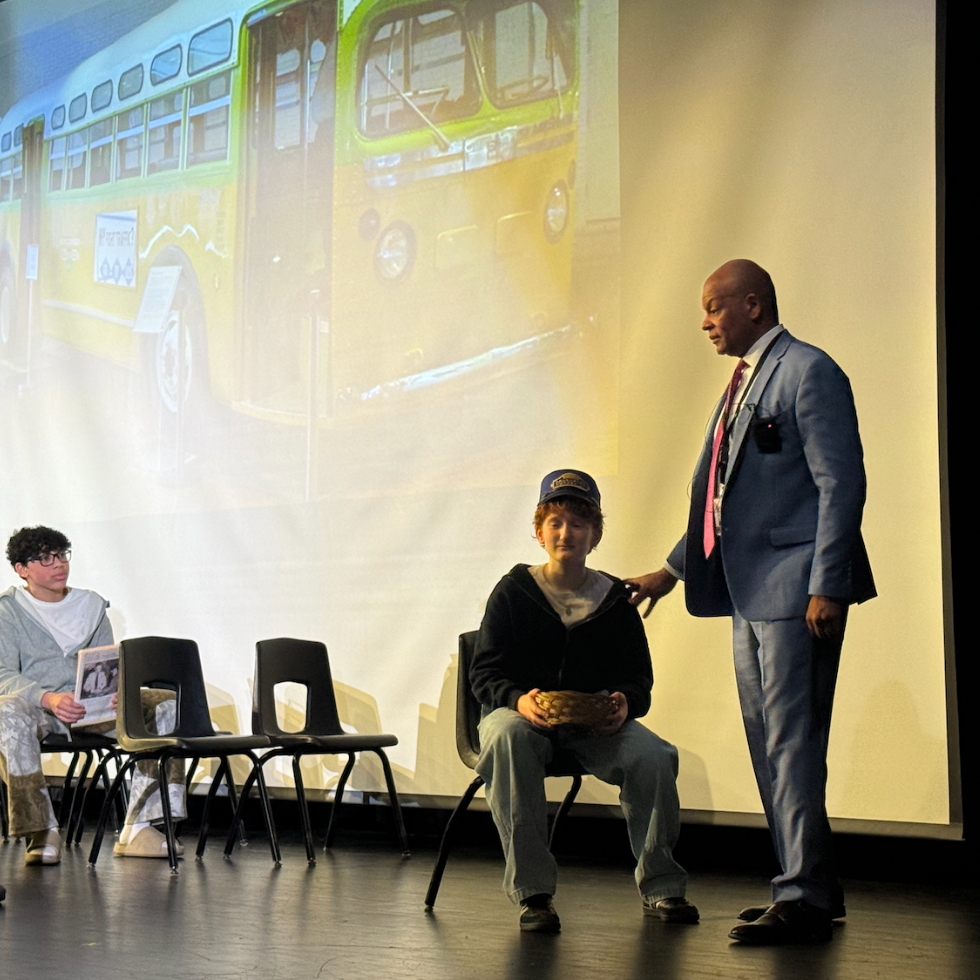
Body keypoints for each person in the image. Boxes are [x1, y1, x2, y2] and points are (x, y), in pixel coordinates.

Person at [627, 260, 875, 945]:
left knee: (792, 744)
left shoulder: (807, 370)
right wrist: (670, 572)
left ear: (753, 305)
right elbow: (721, 499)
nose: (705, 321)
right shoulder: (741, 382)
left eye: (714, 307)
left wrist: (828, 583)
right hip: (747, 593)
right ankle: (811, 884)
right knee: (771, 743)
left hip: (797, 591)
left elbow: (841, 486)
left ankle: (801, 896)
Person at [470, 469, 698, 933]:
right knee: (506, 738)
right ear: (538, 532)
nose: (565, 533)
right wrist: (517, 700)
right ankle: (533, 895)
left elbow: (638, 679)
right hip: (523, 718)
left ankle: (662, 886)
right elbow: (485, 672)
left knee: (653, 756)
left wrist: (623, 703)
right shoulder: (514, 591)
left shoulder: (614, 599)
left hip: (593, 726)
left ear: (594, 534)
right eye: (554, 522)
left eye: (578, 523)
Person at [0, 526, 187, 864]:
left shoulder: (90, 606)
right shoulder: (8, 611)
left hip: (92, 710)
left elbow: (107, 663)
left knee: (165, 705)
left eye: (61, 555)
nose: (58, 564)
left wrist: (117, 693)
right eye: (45, 558)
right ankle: (41, 829)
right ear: (22, 569)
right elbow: (3, 673)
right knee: (5, 712)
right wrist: (49, 699)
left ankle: (142, 826)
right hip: (41, 708)